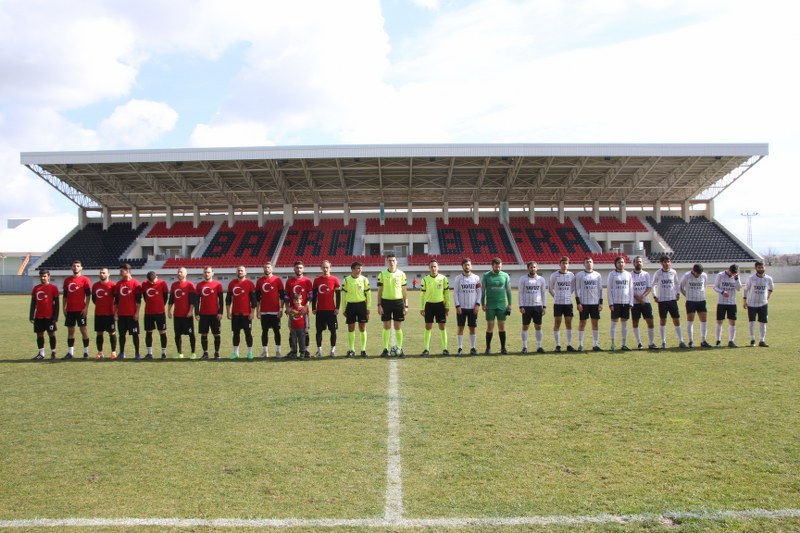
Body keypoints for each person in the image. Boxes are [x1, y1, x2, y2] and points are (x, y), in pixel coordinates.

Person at [652, 256, 688, 349]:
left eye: (668, 261)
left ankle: (681, 341)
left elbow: (676, 283)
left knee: (676, 320)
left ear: (670, 262)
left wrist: (678, 293)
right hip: (662, 301)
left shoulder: (673, 272)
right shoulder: (658, 273)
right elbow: (653, 285)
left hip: (672, 300)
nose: (666, 263)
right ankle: (663, 342)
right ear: (661, 263)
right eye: (664, 261)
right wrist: (655, 296)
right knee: (663, 320)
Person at [377, 253, 408, 357]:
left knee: (397, 326)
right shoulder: (382, 274)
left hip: (398, 302)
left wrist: (406, 305)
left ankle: (399, 348)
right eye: (389, 260)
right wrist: (379, 305)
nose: (391, 262)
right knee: (386, 326)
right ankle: (385, 349)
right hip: (385, 302)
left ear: (396, 262)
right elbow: (379, 292)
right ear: (387, 262)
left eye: (393, 260)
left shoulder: (402, 274)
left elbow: (404, 291)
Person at [481, 257, 512, 354]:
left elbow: (509, 291)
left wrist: (510, 304)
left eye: (499, 267)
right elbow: (482, 291)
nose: (498, 269)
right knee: (490, 326)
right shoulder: (486, 276)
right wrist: (483, 303)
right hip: (490, 306)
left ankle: (503, 348)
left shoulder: (505, 275)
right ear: (492, 266)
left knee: (501, 327)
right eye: (496, 267)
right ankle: (488, 348)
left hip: (501, 305)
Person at [61, 259, 91, 359]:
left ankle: (86, 352)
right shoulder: (67, 280)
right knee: (70, 331)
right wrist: (64, 308)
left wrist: (86, 308)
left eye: (78, 266)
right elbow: (65, 296)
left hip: (80, 310)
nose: (76, 267)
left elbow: (88, 295)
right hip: (70, 310)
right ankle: (70, 353)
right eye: (74, 266)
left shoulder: (85, 280)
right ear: (72, 267)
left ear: (81, 268)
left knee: (83, 330)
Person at [419, 259, 450, 355]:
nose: (433, 268)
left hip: (440, 305)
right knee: (428, 327)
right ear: (429, 268)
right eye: (431, 266)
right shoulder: (425, 279)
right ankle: (426, 349)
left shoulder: (443, 278)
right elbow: (422, 295)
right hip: (429, 305)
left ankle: (445, 349)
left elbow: (447, 293)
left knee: (442, 326)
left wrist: (447, 306)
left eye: (435, 266)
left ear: (438, 267)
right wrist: (421, 307)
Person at [311, 259, 341, 357]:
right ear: (321, 268)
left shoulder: (335, 280)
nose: (325, 269)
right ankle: (319, 351)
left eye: (327, 267)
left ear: (330, 268)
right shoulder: (316, 280)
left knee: (333, 331)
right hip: (320, 310)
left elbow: (338, 295)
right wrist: (313, 307)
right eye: (323, 267)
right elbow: (314, 295)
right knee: (319, 331)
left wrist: (337, 308)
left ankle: (332, 350)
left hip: (331, 311)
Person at [341, 261, 371, 357]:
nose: (360, 270)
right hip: (350, 306)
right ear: (352, 269)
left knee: (362, 327)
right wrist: (343, 309)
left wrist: (368, 308)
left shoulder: (364, 280)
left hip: (362, 305)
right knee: (351, 328)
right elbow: (343, 295)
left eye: (361, 268)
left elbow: (368, 295)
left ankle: (363, 350)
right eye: (358, 268)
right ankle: (351, 350)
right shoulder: (346, 280)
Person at [226, 265, 257, 359]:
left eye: (242, 271)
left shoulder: (249, 283)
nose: (240, 272)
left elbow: (254, 300)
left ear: (245, 272)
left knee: (248, 333)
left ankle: (249, 353)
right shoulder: (232, 284)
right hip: (235, 314)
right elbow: (228, 300)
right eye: (238, 271)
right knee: (235, 333)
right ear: (236, 272)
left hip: (246, 315)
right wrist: (228, 312)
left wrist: (252, 313)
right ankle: (236, 353)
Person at [453, 257, 482, 355]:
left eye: (468, 265)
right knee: (460, 327)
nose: (467, 266)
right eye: (465, 265)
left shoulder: (476, 278)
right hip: (461, 308)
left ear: (471, 266)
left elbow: (479, 292)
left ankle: (472, 348)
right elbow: (455, 293)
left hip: (473, 308)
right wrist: (457, 306)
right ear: (462, 266)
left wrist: (477, 304)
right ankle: (460, 348)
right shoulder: (458, 278)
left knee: (472, 328)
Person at [113, 263, 142, 360]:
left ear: (128, 271)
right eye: (120, 270)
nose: (120, 272)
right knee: (121, 335)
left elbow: (138, 301)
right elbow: (116, 301)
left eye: (122, 271)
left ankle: (137, 353)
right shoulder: (118, 284)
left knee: (135, 335)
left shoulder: (136, 283)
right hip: (121, 315)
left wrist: (137, 313)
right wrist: (115, 313)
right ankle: (121, 353)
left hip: (132, 315)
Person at [255, 261, 284, 358]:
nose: (267, 269)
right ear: (263, 269)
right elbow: (257, 298)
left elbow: (282, 297)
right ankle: (265, 352)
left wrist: (281, 309)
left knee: (277, 331)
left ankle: (278, 351)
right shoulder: (259, 281)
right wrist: (258, 311)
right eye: (265, 267)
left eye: (268, 267)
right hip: (264, 312)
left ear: (272, 269)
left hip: (275, 311)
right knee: (264, 331)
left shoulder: (277, 280)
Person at [285, 261, 313, 357]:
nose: (299, 269)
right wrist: (287, 307)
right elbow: (286, 296)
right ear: (294, 268)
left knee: (305, 331)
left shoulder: (307, 281)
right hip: (292, 310)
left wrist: (306, 306)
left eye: (300, 267)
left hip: (303, 310)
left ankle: (305, 350)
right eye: (297, 267)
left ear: (303, 269)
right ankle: (293, 351)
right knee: (292, 330)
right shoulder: (289, 281)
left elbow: (310, 295)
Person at [518, 260, 547, 354]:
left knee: (538, 326)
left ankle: (539, 346)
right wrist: (521, 305)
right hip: (526, 306)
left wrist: (544, 306)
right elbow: (520, 293)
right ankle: (524, 347)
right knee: (525, 326)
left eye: (534, 267)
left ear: (536, 268)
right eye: (531, 267)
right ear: (528, 268)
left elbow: (543, 293)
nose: (533, 268)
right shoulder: (523, 279)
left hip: (538, 306)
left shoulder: (541, 279)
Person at [575, 257, 604, 352]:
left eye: (590, 262)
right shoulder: (580, 275)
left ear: (593, 263)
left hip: (595, 303)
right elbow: (577, 290)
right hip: (584, 303)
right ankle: (580, 345)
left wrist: (601, 303)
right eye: (587, 262)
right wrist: (578, 303)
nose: (589, 263)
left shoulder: (597, 275)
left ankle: (595, 344)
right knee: (582, 323)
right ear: (584, 264)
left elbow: (600, 289)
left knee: (595, 323)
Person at [167, 267, 196, 359]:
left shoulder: (190, 285)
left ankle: (193, 353)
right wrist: (169, 311)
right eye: (178, 272)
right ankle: (179, 353)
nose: (179, 273)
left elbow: (192, 300)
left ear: (185, 274)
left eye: (181, 272)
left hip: (187, 315)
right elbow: (171, 299)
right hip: (177, 315)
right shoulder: (174, 285)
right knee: (177, 334)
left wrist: (191, 311)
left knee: (191, 334)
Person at [743, 260, 774, 347]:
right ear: (756, 268)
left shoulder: (768, 278)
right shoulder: (751, 278)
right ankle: (752, 340)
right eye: (759, 267)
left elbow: (771, 288)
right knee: (752, 322)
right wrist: (744, 301)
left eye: (762, 267)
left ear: (765, 267)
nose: (761, 269)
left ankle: (762, 340)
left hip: (763, 304)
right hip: (752, 303)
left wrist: (767, 297)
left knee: (763, 322)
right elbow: (746, 289)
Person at [30, 269, 59, 360]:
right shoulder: (36, 288)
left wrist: (55, 317)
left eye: (45, 276)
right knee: (39, 335)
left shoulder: (53, 288)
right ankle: (41, 353)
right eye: (41, 276)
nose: (43, 278)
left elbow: (57, 304)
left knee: (51, 334)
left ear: (48, 277)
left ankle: (53, 352)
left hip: (49, 317)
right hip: (38, 316)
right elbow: (33, 303)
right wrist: (31, 315)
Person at [680, 264, 711, 348]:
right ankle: (690, 341)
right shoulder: (687, 276)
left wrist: (702, 293)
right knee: (690, 320)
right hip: (691, 301)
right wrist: (686, 295)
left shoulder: (704, 275)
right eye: (697, 273)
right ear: (693, 270)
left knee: (704, 320)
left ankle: (703, 340)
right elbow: (681, 287)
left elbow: (705, 285)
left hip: (701, 300)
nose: (698, 275)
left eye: (699, 273)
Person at [195, 266, 224, 359]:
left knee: (216, 334)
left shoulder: (217, 284)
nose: (207, 274)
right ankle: (205, 353)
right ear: (203, 274)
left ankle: (216, 353)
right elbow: (196, 301)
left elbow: (221, 300)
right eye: (205, 272)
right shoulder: (199, 285)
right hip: (203, 314)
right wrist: (197, 313)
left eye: (208, 272)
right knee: (204, 334)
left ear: (212, 273)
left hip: (215, 314)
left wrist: (220, 312)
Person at [607, 256, 634, 351]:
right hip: (616, 303)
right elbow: (609, 289)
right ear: (616, 264)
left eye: (622, 262)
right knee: (614, 324)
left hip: (626, 303)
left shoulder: (628, 274)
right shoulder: (612, 274)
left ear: (624, 263)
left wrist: (631, 302)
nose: (621, 264)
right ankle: (613, 344)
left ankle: (624, 344)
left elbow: (631, 289)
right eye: (619, 262)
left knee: (625, 325)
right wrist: (611, 303)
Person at [549, 256, 576, 352]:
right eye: (563, 263)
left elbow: (573, 287)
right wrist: (555, 296)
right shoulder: (554, 275)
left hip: (568, 303)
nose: (564, 265)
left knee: (568, 323)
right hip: (558, 303)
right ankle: (558, 345)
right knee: (557, 322)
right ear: (559, 264)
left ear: (568, 264)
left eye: (566, 263)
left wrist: (569, 295)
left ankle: (569, 345)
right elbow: (550, 288)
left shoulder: (571, 275)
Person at [630, 256, 658, 350]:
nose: (639, 263)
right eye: (637, 261)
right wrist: (638, 298)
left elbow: (649, 287)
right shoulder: (630, 275)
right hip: (634, 303)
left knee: (650, 321)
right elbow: (630, 290)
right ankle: (639, 343)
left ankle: (651, 343)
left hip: (646, 302)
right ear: (633, 263)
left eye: (640, 261)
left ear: (642, 263)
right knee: (635, 322)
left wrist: (643, 297)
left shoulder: (646, 274)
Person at [713, 264, 742, 348]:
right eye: (732, 273)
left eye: (734, 273)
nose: (732, 275)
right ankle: (718, 341)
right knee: (719, 321)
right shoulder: (720, 275)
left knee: (732, 321)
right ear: (728, 270)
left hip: (732, 303)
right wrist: (722, 292)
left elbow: (739, 288)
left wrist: (737, 279)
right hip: (721, 302)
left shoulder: (736, 277)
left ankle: (731, 341)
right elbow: (715, 287)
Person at [141, 271, 169, 360]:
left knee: (162, 332)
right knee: (148, 332)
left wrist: (160, 305)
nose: (152, 283)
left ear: (157, 276)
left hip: (160, 313)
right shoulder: (144, 284)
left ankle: (163, 353)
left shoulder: (162, 283)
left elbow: (165, 297)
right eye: (150, 282)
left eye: (153, 281)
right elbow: (145, 297)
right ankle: (149, 353)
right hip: (148, 313)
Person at [92, 267, 117, 359]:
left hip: (109, 314)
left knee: (112, 333)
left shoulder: (112, 285)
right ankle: (100, 352)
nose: (102, 274)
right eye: (100, 273)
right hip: (98, 314)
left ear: (108, 274)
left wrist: (115, 312)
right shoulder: (95, 286)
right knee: (99, 333)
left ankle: (113, 352)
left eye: (103, 273)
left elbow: (116, 300)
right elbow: (94, 299)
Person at [287, 292, 309, 358]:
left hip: (302, 328)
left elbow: (306, 319)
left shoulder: (303, 309)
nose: (297, 301)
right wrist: (289, 326)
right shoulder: (292, 309)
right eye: (296, 300)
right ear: (293, 301)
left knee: (302, 340)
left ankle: (302, 352)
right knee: (293, 341)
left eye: (299, 299)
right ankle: (294, 353)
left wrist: (306, 327)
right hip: (293, 328)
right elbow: (290, 318)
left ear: (301, 300)